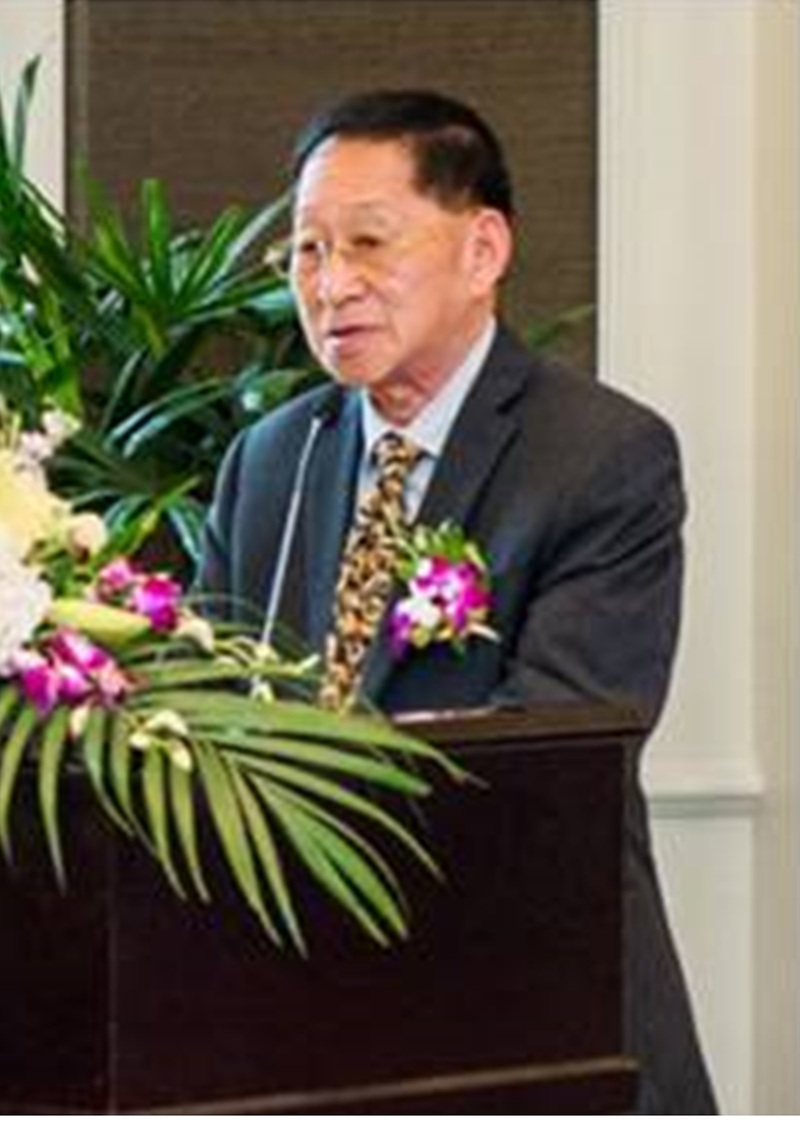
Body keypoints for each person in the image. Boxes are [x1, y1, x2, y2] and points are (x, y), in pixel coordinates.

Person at [199, 89, 717, 1113]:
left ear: (482, 251)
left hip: (531, 1001)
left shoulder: (600, 456)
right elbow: (201, 706)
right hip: (301, 1013)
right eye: (306, 251)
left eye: (367, 243)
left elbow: (556, 748)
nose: (330, 284)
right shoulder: (269, 461)